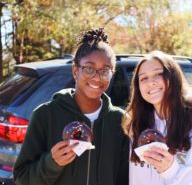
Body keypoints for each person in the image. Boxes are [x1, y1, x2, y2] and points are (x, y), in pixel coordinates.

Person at [13, 28, 129, 185]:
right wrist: (52, 162)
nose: (97, 77)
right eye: (89, 69)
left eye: (105, 71)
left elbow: (124, 178)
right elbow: (22, 179)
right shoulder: (45, 115)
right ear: (75, 70)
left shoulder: (119, 120)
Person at [122, 51, 192, 185]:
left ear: (174, 77)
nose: (150, 82)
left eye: (159, 74)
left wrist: (173, 170)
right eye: (143, 78)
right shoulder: (138, 127)